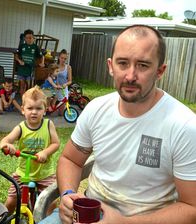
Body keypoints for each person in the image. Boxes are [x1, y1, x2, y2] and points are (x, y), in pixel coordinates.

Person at [42, 25, 196, 224]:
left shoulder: (184, 125)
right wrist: (68, 195)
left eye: (143, 65)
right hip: (87, 214)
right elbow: (71, 159)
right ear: (110, 66)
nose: (130, 76)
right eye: (123, 63)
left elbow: (191, 209)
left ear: (160, 71)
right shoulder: (96, 109)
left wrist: (123, 222)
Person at [0, 85, 60, 214]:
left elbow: (56, 143)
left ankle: (48, 222)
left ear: (45, 110)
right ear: (23, 110)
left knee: (50, 203)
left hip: (44, 173)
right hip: (23, 173)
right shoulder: (21, 128)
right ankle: (5, 219)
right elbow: (5, 141)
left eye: (38, 108)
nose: (34, 112)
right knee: (11, 201)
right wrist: (7, 146)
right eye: (30, 108)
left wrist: (45, 152)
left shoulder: (48, 125)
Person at [15, 29, 45, 96]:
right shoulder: (22, 46)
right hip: (22, 69)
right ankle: (23, 100)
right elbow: (16, 55)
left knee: (29, 86)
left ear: (33, 38)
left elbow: (42, 56)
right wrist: (19, 61)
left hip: (30, 69)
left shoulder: (35, 47)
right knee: (21, 86)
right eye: (28, 38)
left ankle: (28, 98)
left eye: (31, 37)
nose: (30, 39)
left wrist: (42, 63)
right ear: (25, 38)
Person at [56, 49, 72, 115]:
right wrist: (55, 85)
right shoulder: (55, 66)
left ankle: (64, 106)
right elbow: (50, 78)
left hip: (63, 88)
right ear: (59, 57)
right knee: (50, 108)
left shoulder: (68, 67)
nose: (63, 60)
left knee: (61, 113)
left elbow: (70, 81)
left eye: (65, 59)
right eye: (62, 58)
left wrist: (65, 84)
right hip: (55, 87)